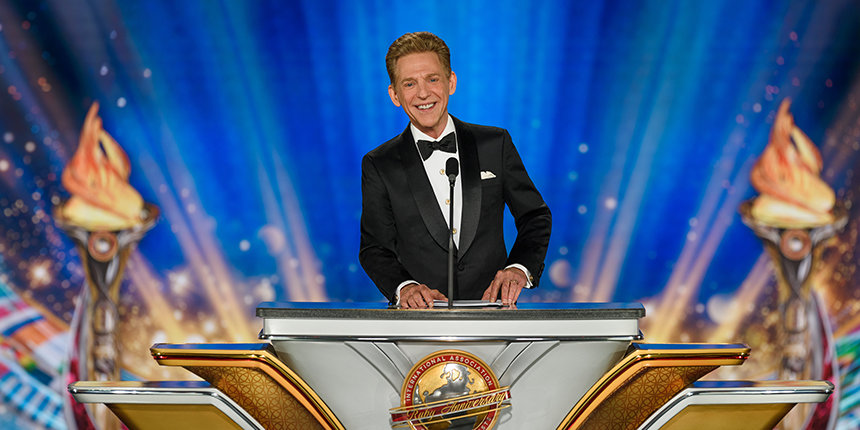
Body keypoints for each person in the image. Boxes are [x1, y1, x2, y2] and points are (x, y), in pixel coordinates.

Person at [359, 32, 551, 308]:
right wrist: (405, 287)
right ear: (395, 95)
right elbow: (374, 248)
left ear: (451, 82)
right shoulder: (379, 163)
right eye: (409, 83)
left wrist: (519, 268)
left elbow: (535, 216)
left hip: (494, 314)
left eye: (432, 79)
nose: (423, 93)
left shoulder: (494, 144)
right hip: (418, 320)